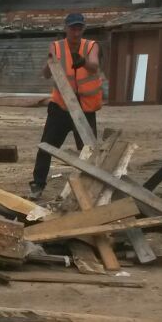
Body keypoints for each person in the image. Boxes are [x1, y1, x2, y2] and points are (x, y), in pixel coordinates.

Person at [30, 13, 103, 199]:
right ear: (66, 28)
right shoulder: (56, 47)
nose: (76, 32)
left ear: (83, 29)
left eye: (79, 28)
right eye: (72, 28)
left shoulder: (91, 46)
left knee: (89, 150)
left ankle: (92, 187)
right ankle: (37, 185)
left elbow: (94, 65)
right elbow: (46, 74)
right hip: (61, 106)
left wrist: (83, 62)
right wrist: (49, 63)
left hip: (84, 108)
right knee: (46, 146)